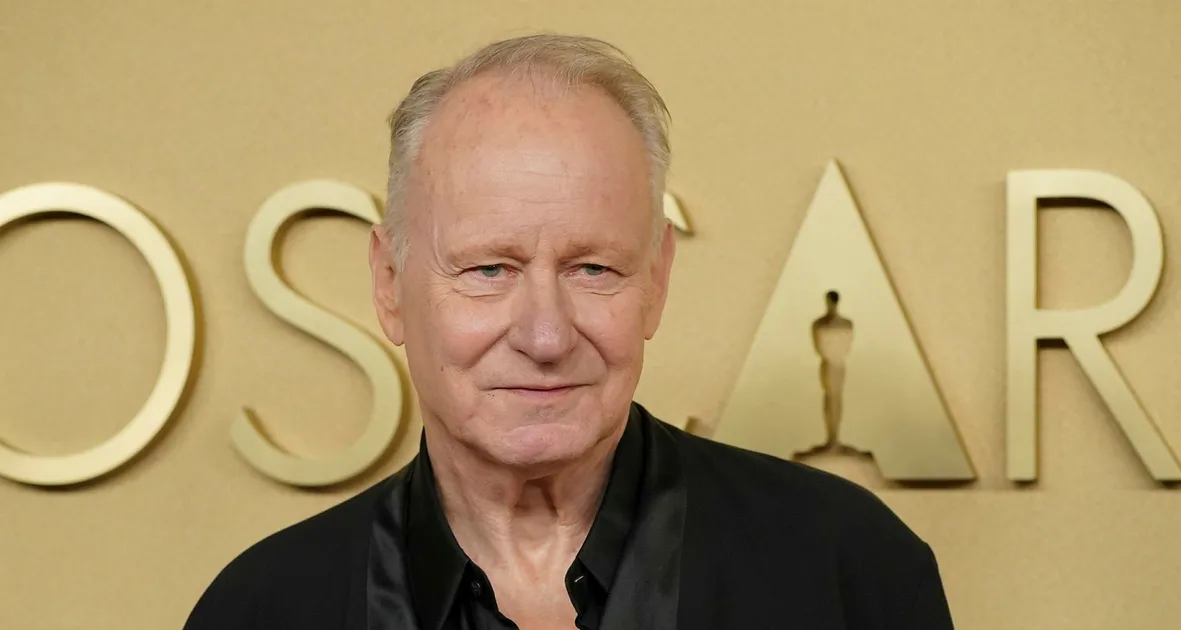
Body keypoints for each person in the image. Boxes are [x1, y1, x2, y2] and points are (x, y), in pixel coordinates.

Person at [183, 33, 956, 630]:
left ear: (656, 281)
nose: (546, 336)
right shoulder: (264, 610)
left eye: (593, 269)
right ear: (390, 285)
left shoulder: (848, 571)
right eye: (490, 269)